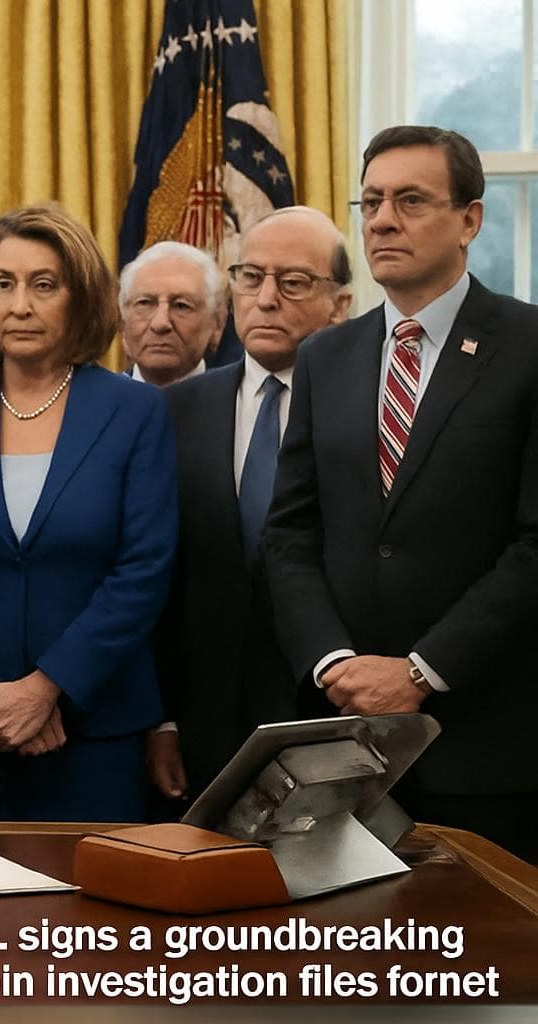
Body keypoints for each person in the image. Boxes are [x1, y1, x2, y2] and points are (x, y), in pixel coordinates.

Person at [265, 125, 538, 862]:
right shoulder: (325, 356)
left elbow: (535, 544)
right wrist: (331, 662)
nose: (383, 220)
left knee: (483, 938)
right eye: (372, 202)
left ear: (469, 220)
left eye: (410, 201)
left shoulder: (527, 346)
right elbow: (290, 534)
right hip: (340, 744)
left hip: (486, 747)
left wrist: (421, 671)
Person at [0, 205, 177, 821]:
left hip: (95, 727)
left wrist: (48, 687)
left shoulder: (136, 411)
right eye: (4, 284)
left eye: (43, 285)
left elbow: (143, 572)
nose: (19, 305)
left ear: (81, 298)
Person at [149, 207, 353, 804]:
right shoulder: (175, 411)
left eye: (293, 282)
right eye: (250, 276)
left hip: (329, 711)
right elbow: (158, 580)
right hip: (204, 720)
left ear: (340, 304)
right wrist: (161, 719)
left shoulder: (368, 411)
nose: (266, 299)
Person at [119, 241, 226, 386]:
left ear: (217, 324)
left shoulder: (239, 398)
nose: (160, 324)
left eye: (181, 306)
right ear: (122, 323)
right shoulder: (94, 398)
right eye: (144, 303)